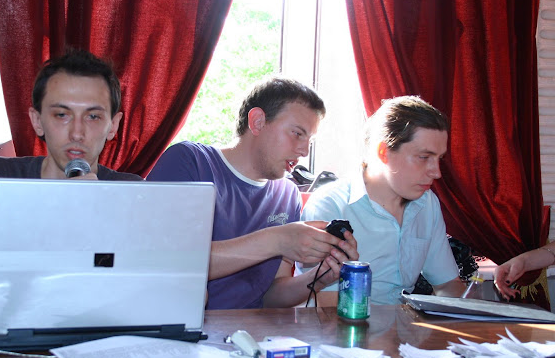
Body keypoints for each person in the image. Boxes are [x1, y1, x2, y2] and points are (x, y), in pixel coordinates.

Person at [0, 49, 142, 327]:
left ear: (113, 125)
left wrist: (100, 218)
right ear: (37, 121)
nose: (77, 133)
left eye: (93, 117)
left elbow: (144, 298)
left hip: (97, 346)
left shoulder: (133, 195)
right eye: (62, 115)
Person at [147, 77, 358, 309]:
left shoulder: (287, 195)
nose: (304, 151)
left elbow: (271, 297)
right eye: (298, 134)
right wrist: (277, 240)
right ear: (257, 122)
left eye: (310, 140)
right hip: (190, 326)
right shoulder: (189, 162)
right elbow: (166, 263)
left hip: (252, 329)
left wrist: (320, 277)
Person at [300, 95, 464, 304]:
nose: (436, 172)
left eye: (439, 159)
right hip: (347, 322)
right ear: (383, 152)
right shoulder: (330, 207)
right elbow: (326, 304)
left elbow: (448, 285)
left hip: (405, 322)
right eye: (424, 157)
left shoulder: (427, 203)